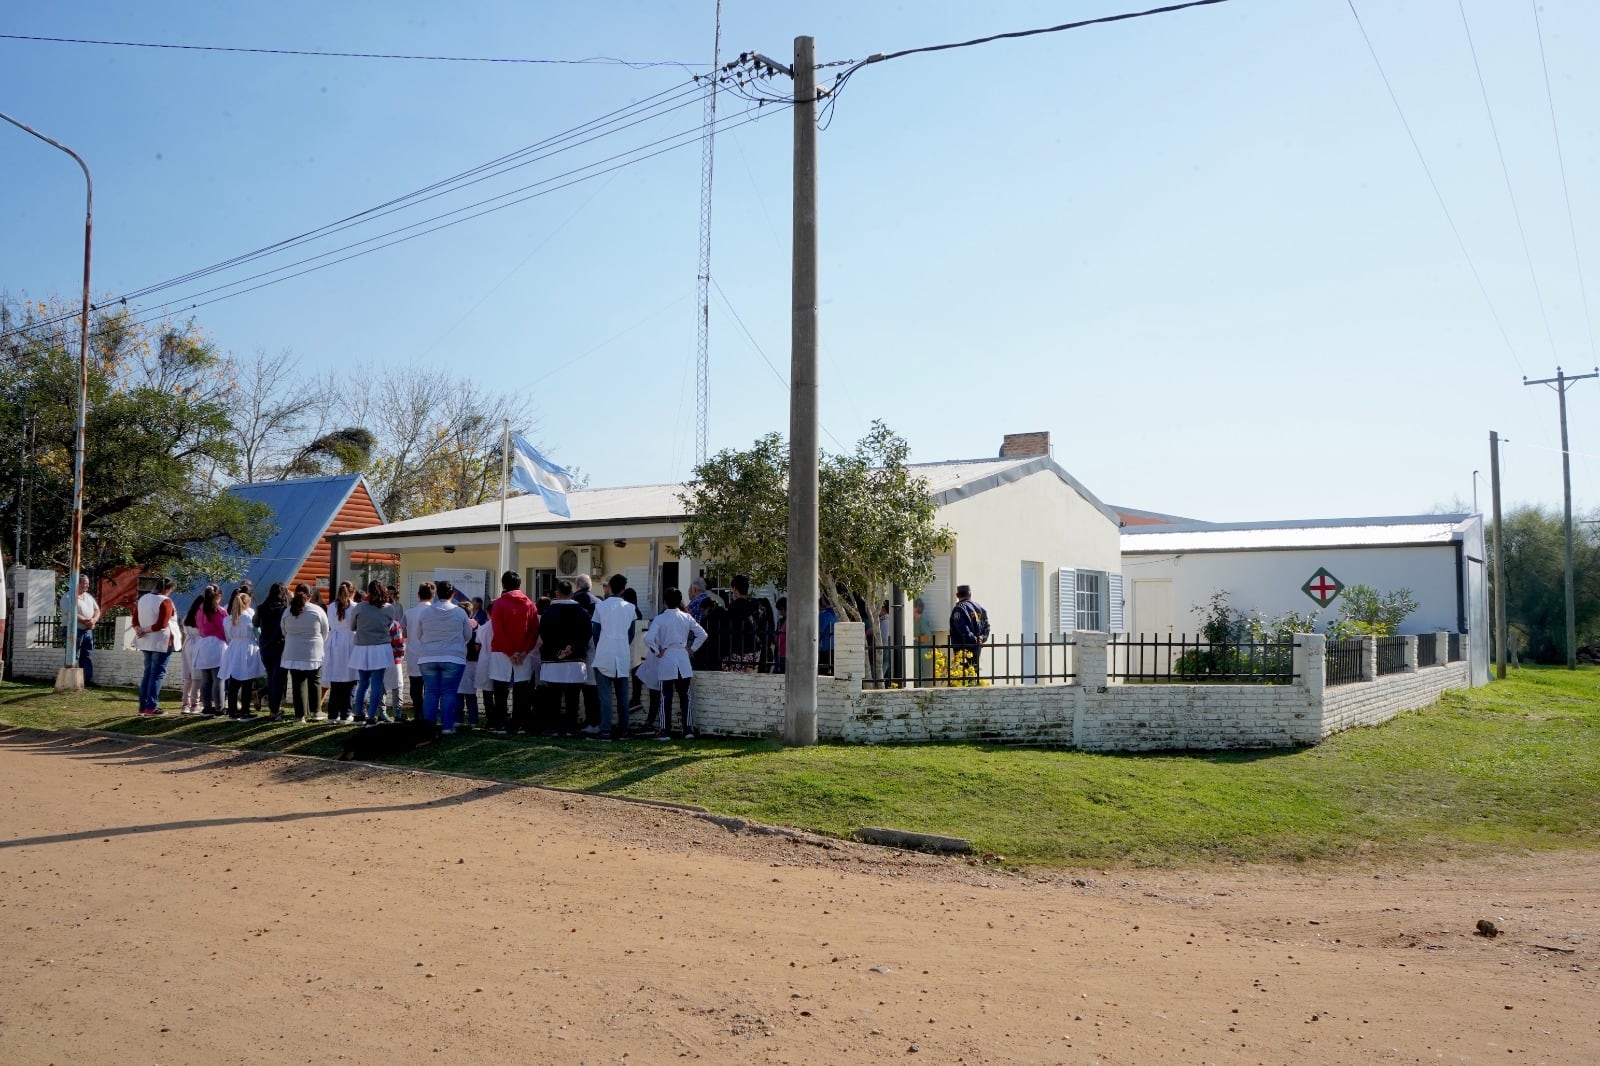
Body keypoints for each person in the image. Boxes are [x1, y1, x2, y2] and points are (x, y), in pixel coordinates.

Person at [646, 586, 707, 741]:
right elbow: (702, 634)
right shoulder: (686, 617)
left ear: (665, 602)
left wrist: (656, 651)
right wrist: (692, 649)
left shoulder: (660, 618)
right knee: (685, 696)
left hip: (666, 658)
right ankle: (688, 730)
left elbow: (648, 638)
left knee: (665, 696)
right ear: (680, 601)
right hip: (682, 657)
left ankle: (665, 731)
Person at [415, 578, 472, 734]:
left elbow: (418, 634)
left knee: (431, 692)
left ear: (437, 594)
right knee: (449, 692)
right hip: (453, 658)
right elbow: (468, 635)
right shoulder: (460, 612)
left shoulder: (425, 612)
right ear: (453, 594)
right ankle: (447, 727)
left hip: (428, 657)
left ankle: (428, 728)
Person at [487, 571, 539, 733]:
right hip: (523, 653)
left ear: (503, 585)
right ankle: (519, 723)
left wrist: (510, 652)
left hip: (502, 651)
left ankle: (500, 722)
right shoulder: (530, 604)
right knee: (521, 690)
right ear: (519, 584)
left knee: (500, 689)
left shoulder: (499, 604)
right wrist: (523, 651)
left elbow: (498, 630)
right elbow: (534, 631)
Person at [539, 580, 590, 736]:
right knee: (572, 698)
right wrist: (572, 648)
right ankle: (571, 728)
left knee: (553, 697)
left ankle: (553, 728)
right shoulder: (582, 612)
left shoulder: (548, 613)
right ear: (572, 592)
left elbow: (545, 635)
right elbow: (586, 635)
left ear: (557, 593)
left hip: (553, 660)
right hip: (575, 660)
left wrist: (559, 651)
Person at [592, 574, 637, 741]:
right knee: (623, 698)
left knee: (605, 697)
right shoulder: (630, 608)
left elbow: (595, 633)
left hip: (604, 653)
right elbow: (631, 634)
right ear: (624, 589)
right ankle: (623, 730)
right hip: (622, 654)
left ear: (609, 587)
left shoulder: (600, 607)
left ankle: (605, 730)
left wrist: (603, 646)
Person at [350, 580, 398, 725]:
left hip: (362, 647)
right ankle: (371, 717)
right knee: (377, 684)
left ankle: (358, 714)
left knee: (363, 683)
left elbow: (352, 626)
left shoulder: (359, 607)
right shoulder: (390, 608)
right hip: (380, 648)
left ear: (369, 591)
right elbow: (390, 627)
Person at [280, 583, 330, 721]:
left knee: (297, 683)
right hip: (313, 651)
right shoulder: (317, 610)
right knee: (315, 680)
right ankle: (316, 712)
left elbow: (283, 630)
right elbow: (325, 631)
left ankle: (299, 715)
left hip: (293, 650)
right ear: (310, 596)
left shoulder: (287, 611)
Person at [133, 576, 179, 714]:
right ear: (168, 589)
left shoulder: (143, 598)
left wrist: (139, 630)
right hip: (161, 641)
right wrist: (145, 630)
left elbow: (135, 618)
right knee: (157, 675)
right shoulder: (165, 601)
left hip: (145, 641)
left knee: (147, 674)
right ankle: (151, 706)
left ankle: (143, 706)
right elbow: (162, 624)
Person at [221, 588, 263, 718]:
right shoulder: (248, 617)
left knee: (234, 682)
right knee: (247, 681)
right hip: (247, 647)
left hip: (234, 648)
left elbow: (228, 636)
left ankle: (232, 710)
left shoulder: (228, 619)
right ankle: (245, 710)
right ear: (248, 603)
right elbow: (257, 633)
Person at [324, 581, 358, 721]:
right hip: (349, 641)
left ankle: (332, 714)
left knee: (336, 680)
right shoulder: (354, 607)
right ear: (352, 592)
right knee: (350, 680)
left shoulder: (331, 606)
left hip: (334, 642)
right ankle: (346, 713)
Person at [572, 573, 602, 732]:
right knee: (594, 687)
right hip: (599, 646)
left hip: (584, 647)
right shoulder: (599, 601)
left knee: (588, 688)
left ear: (577, 585)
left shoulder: (577, 600)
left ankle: (592, 722)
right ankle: (593, 721)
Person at [255, 583, 288, 718]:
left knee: (271, 677)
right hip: (280, 646)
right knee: (279, 680)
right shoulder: (284, 610)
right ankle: (274, 710)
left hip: (265, 646)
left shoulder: (262, 608)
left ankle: (264, 697)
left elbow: (255, 623)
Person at [61, 574, 100, 686]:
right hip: (74, 631)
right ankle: (71, 681)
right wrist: (86, 621)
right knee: (73, 655)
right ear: (77, 584)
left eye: (87, 583)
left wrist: (93, 620)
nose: (87, 586)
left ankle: (86, 681)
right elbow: (70, 613)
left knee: (87, 655)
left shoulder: (88, 597)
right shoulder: (68, 597)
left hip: (87, 631)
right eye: (85, 583)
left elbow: (97, 610)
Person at [403, 582, 434, 716]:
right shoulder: (435, 612)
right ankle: (429, 715)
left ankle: (418, 714)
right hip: (431, 654)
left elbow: (403, 633)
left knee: (415, 688)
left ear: (418, 595)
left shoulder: (409, 613)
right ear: (433, 596)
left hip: (414, 654)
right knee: (430, 689)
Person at [950, 584, 990, 680]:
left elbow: (963, 629)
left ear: (957, 595)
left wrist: (974, 639)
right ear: (970, 594)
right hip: (977, 647)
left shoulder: (959, 609)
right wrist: (981, 638)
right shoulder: (980, 608)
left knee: (963, 676)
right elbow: (987, 627)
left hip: (963, 647)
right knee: (973, 674)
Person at [725, 575, 761, 672]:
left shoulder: (734, 607)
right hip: (754, 647)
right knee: (751, 676)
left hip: (738, 649)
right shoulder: (754, 604)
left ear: (735, 589)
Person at [912, 597, 935, 686]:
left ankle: (920, 689)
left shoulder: (922, 620)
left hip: (921, 651)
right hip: (915, 650)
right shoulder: (914, 619)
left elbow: (927, 637)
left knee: (919, 673)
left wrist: (914, 638)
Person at [817, 596, 837, 676]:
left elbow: (818, 633)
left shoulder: (824, 615)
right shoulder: (838, 615)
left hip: (826, 650)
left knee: (823, 675)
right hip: (836, 649)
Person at [877, 601, 893, 681]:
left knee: (884, 668)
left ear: (884, 609)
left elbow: (883, 638)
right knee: (886, 668)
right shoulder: (887, 620)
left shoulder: (885, 621)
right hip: (886, 647)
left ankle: (879, 682)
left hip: (885, 647)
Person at [773, 596, 788, 674]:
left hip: (782, 653)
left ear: (783, 608)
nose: (779, 613)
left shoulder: (783, 622)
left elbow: (779, 638)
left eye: (779, 610)